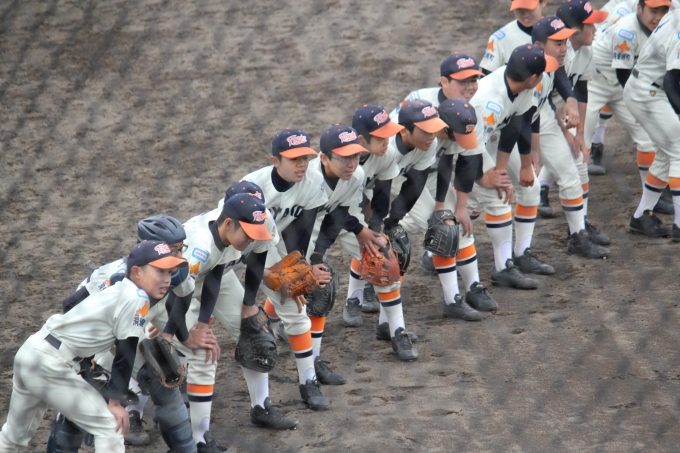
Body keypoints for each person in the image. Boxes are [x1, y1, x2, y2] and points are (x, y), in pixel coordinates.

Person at [0, 241, 188, 453]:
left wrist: (86, 356)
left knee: (13, 438)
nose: (167, 279)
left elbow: (72, 307)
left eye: (170, 272)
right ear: (137, 271)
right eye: (160, 271)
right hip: (50, 364)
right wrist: (115, 402)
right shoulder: (136, 297)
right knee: (111, 427)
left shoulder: (117, 288)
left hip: (31, 351)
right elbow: (125, 352)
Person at [389, 53, 512, 313]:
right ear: (444, 82)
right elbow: (396, 150)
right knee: (435, 226)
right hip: (399, 172)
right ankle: (449, 299)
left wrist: (459, 207)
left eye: (474, 80)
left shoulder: (469, 112)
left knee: (453, 224)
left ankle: (472, 288)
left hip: (432, 171)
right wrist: (440, 211)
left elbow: (461, 160)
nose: (470, 87)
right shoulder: (418, 106)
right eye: (462, 81)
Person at [305, 124, 419, 363]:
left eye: (355, 156)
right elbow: (323, 220)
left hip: (345, 217)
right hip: (306, 225)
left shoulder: (356, 174)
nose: (351, 163)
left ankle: (396, 329)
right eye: (344, 157)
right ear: (325, 158)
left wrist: (367, 232)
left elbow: (342, 212)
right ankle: (280, 323)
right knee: (301, 279)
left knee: (382, 256)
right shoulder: (310, 179)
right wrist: (316, 257)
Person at [243, 128, 334, 411]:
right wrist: (278, 277)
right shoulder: (252, 188)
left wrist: (298, 272)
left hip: (274, 242)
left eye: (305, 158)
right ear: (275, 161)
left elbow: (300, 234)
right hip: (239, 244)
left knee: (296, 305)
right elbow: (242, 244)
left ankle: (308, 381)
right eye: (294, 159)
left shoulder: (312, 182)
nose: (301, 164)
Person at [468, 44, 558, 288]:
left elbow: (515, 124)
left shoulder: (519, 84)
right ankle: (502, 268)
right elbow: (470, 148)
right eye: (542, 73)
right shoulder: (488, 102)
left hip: (490, 137)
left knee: (530, 188)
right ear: (532, 78)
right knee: (495, 198)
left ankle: (521, 254)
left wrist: (511, 168)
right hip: (467, 145)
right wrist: (490, 177)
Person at [531, 16, 612, 258]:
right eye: (558, 43)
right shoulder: (529, 72)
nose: (564, 48)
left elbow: (559, 84)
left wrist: (570, 105)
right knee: (503, 193)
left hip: (540, 118)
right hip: (511, 127)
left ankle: (578, 236)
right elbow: (526, 116)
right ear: (539, 46)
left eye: (565, 42)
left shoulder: (551, 63)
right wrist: (532, 153)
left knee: (572, 170)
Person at [584, 0, 673, 215]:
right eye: (653, 11)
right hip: (595, 81)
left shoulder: (663, 27)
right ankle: (544, 187)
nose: (658, 16)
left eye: (663, 11)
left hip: (622, 85)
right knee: (577, 141)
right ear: (639, 8)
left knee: (646, 138)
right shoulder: (626, 30)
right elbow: (623, 74)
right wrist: (639, 107)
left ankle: (652, 198)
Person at [623, 7, 680, 240]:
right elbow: (672, 80)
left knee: (667, 153)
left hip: (648, 88)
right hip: (649, 91)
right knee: (678, 150)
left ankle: (641, 216)